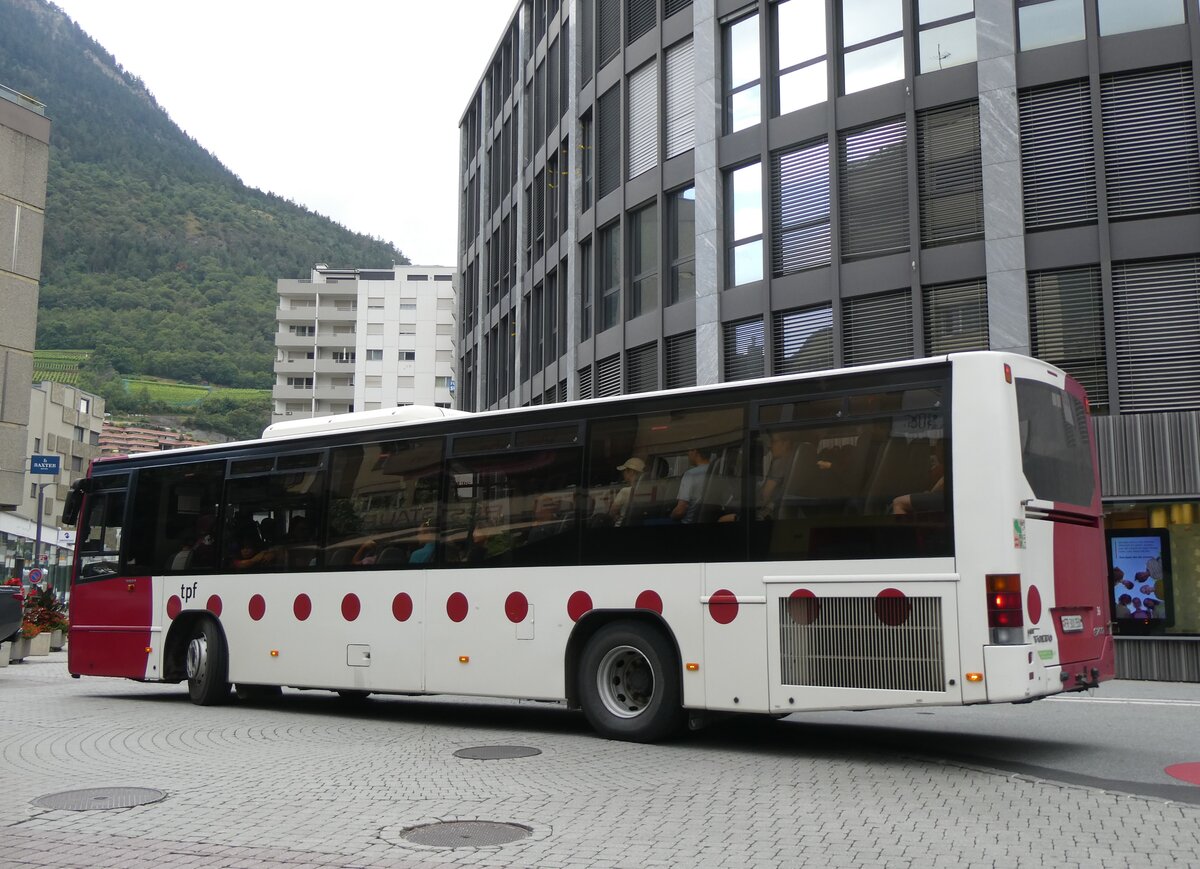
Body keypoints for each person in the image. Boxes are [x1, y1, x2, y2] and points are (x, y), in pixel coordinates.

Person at [671, 447, 711, 524]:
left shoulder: (690, 474)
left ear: (695, 451)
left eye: (688, 450)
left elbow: (680, 511)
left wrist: (671, 516)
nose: (687, 454)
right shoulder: (718, 471)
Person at [610, 457, 645, 526]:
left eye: (625, 471)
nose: (623, 473)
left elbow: (613, 512)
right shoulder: (648, 490)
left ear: (631, 472)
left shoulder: (625, 491)